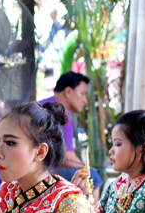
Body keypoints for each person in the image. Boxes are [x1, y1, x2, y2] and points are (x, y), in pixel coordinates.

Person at [39, 71, 101, 201]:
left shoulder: (41, 104)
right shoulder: (62, 113)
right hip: (40, 171)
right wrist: (88, 168)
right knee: (93, 176)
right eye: (83, 93)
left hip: (32, 168)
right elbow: (67, 158)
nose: (85, 100)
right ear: (68, 91)